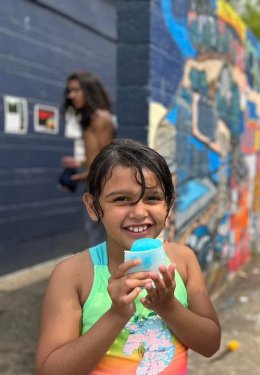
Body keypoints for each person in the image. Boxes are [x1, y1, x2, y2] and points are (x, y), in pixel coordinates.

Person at [37, 139, 221, 374]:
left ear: (169, 205)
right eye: (121, 199)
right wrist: (116, 315)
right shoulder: (73, 275)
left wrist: (169, 307)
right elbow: (49, 370)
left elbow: (210, 344)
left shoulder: (183, 260)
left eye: (152, 198)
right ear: (93, 207)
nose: (139, 212)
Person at [60, 71, 116, 245]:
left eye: (77, 90)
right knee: (95, 236)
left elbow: (108, 160)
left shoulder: (100, 118)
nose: (71, 96)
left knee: (99, 239)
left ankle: (104, 272)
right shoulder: (89, 119)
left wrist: (82, 176)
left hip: (101, 188)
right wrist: (81, 163)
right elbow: (96, 156)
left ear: (89, 90)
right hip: (93, 186)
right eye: (70, 91)